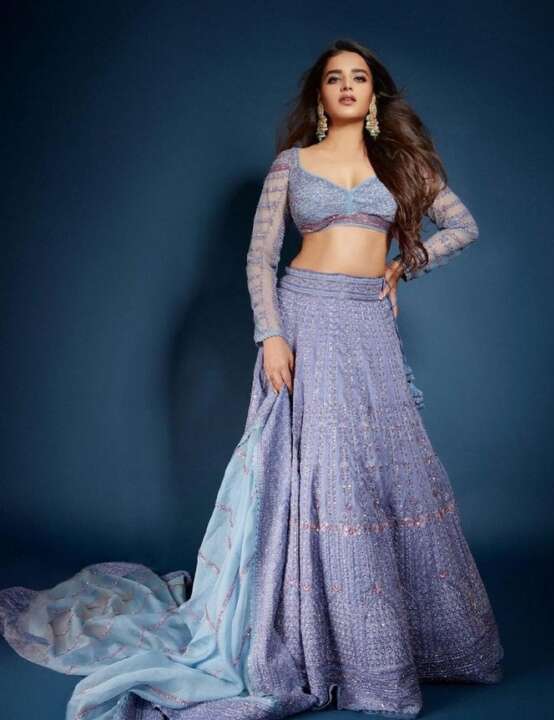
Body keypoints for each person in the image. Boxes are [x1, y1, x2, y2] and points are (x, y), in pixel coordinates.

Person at [0, 38, 504, 720]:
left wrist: (402, 265)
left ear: (373, 94)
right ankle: (322, 642)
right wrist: (271, 334)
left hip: (366, 325)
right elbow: (259, 256)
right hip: (304, 318)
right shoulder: (291, 165)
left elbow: (462, 226)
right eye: (335, 77)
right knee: (320, 473)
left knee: (381, 472)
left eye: (359, 77)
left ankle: (384, 646)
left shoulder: (401, 164)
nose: (347, 85)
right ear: (320, 95)